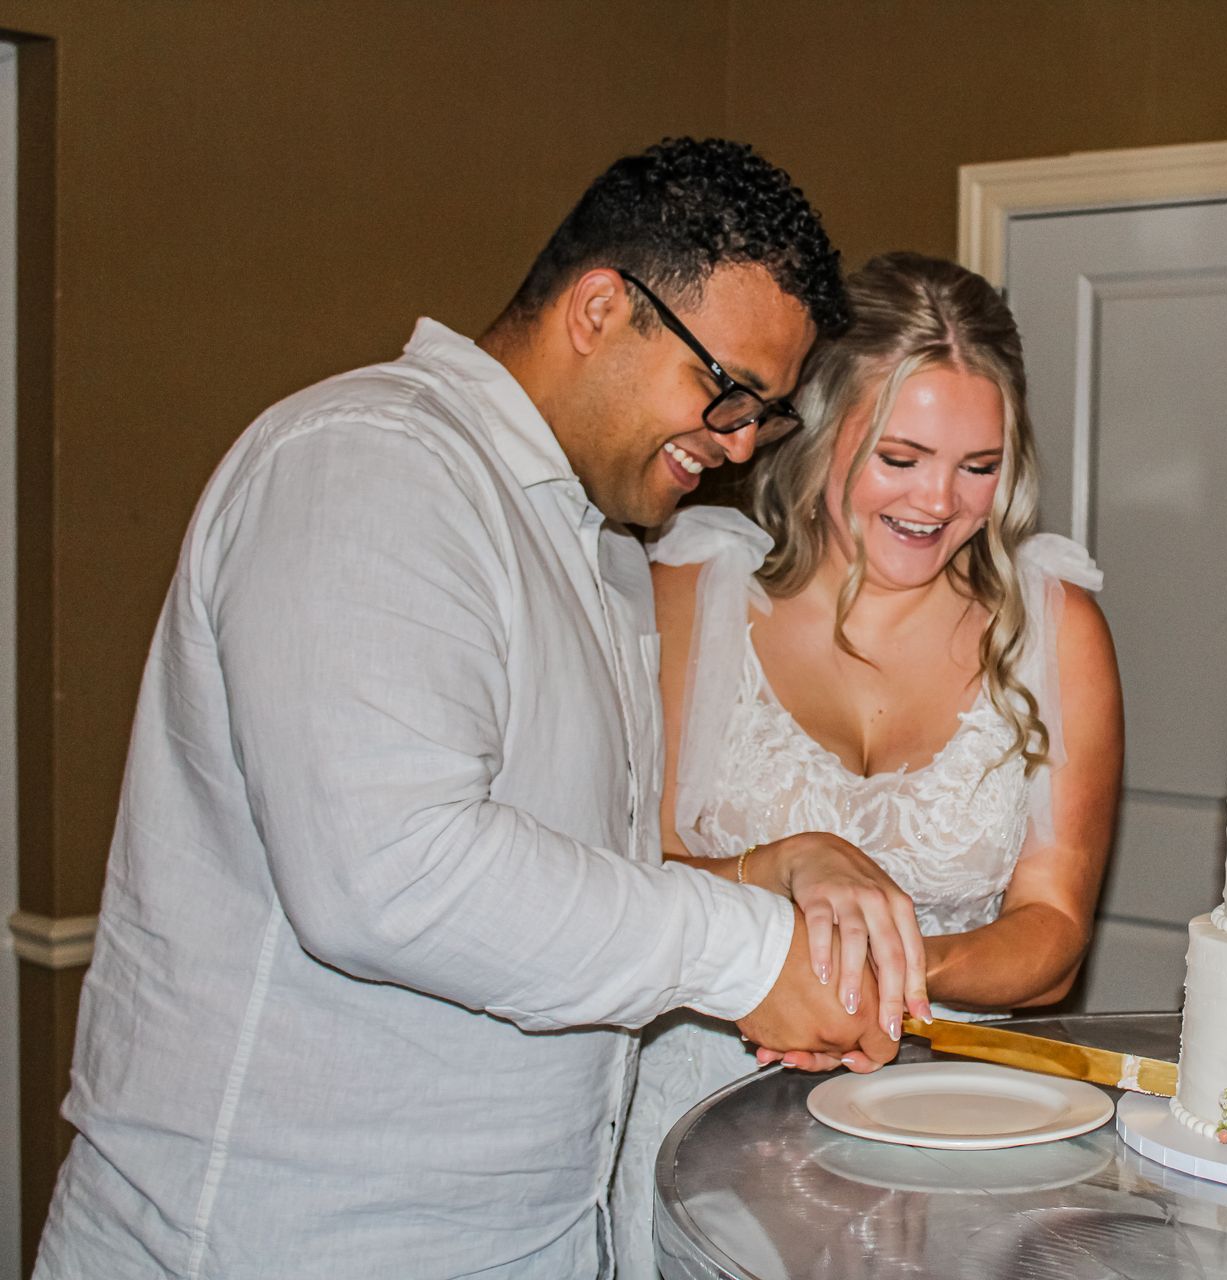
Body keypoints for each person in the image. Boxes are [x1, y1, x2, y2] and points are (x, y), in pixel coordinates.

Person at [34, 139, 921, 1279]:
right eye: (728, 390)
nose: (742, 441)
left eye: (766, 413)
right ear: (602, 308)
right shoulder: (369, 466)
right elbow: (392, 877)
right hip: (276, 1238)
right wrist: (751, 950)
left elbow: (546, 872)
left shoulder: (599, 544)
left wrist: (766, 869)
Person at [613, 252, 1124, 1269]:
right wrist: (776, 934)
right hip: (701, 1114)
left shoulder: (1053, 626)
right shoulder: (690, 593)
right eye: (902, 455)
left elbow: (1055, 931)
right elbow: (632, 871)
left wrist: (891, 976)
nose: (940, 499)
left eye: (978, 465)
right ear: (818, 430)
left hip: (948, 1116)